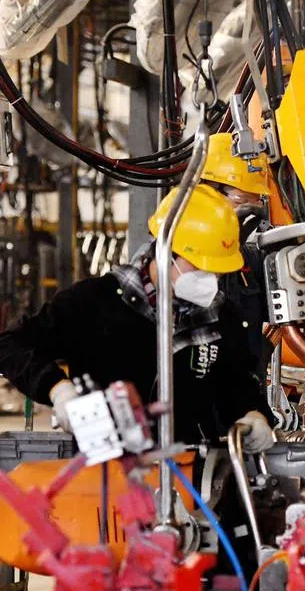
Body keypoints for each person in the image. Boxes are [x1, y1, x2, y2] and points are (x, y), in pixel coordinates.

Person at [0, 185, 275, 452]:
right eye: (201, 267)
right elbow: (11, 344)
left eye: (216, 271)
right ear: (166, 251)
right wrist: (58, 389)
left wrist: (255, 414)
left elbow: (236, 383)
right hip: (108, 478)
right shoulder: (93, 303)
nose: (210, 279)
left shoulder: (222, 319)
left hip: (191, 473)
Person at [199, 132, 273, 378]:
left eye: (255, 203)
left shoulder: (250, 262)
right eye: (241, 200)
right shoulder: (169, 261)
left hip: (245, 400)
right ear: (207, 193)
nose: (248, 213)